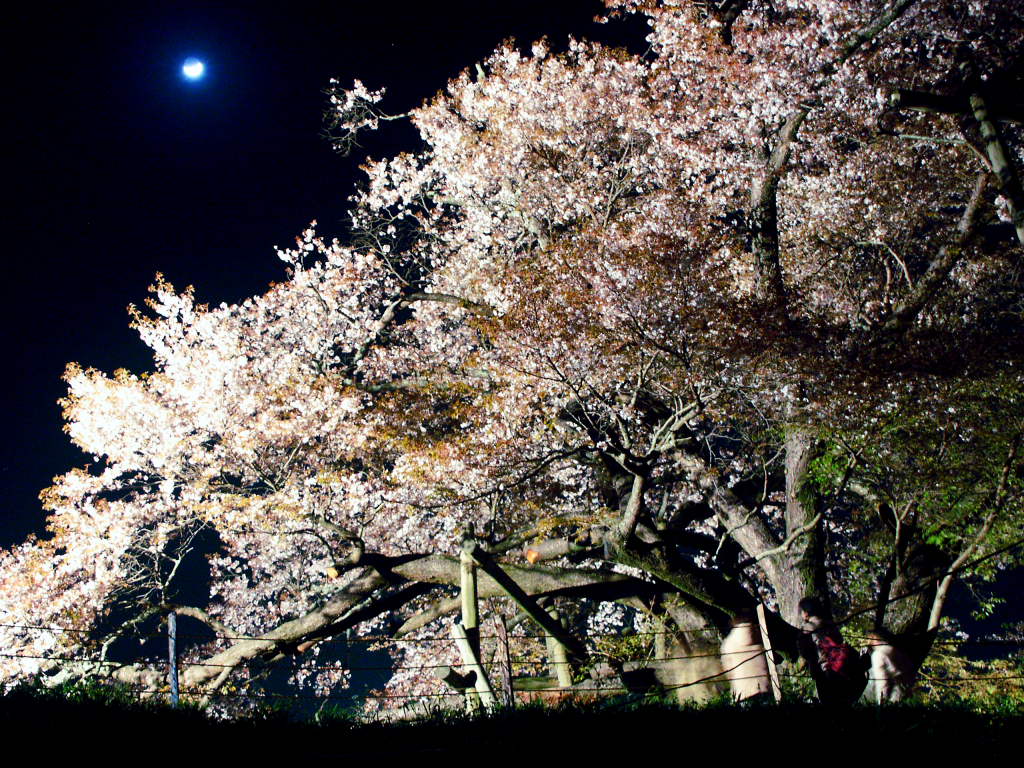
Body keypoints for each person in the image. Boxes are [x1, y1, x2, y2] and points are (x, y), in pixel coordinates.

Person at [797, 597, 866, 706]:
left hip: (825, 672)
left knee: (831, 707)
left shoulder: (806, 630)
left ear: (805, 614)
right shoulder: (830, 624)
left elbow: (805, 653)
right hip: (844, 668)